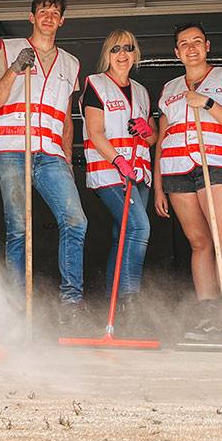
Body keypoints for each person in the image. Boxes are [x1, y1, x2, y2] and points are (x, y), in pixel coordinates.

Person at [0, 0, 87, 333]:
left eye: (54, 12)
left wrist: (69, 161)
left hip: (52, 153)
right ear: (32, 17)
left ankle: (71, 301)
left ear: (61, 20)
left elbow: (68, 118)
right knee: (19, 228)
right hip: (12, 147)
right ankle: (15, 308)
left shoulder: (71, 64)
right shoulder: (9, 50)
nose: (48, 17)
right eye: (42, 11)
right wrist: (15, 69)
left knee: (75, 220)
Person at [153, 21, 222, 342]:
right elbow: (162, 139)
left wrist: (207, 103)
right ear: (176, 51)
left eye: (197, 41)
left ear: (208, 46)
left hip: (216, 163)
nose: (191, 48)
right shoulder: (169, 89)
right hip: (176, 169)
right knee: (198, 242)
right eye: (184, 43)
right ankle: (208, 316)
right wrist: (157, 186)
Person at [80, 30, 158, 335]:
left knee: (122, 235)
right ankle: (130, 303)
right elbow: (96, 132)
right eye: (116, 49)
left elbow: (151, 136)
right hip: (110, 173)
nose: (122, 54)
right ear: (107, 55)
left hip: (140, 176)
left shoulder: (141, 92)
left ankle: (113, 307)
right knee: (139, 227)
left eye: (128, 48)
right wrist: (118, 161)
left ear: (135, 53)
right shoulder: (95, 85)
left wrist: (146, 129)